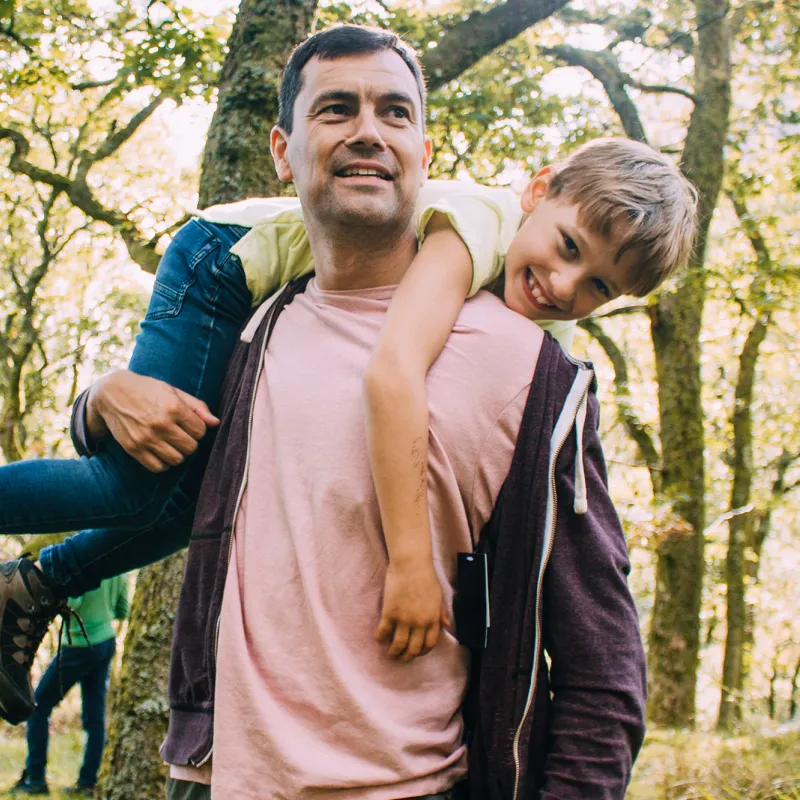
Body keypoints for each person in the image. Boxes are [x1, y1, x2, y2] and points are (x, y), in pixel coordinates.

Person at [66, 25, 648, 798]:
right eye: (337, 109)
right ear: (284, 150)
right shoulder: (250, 326)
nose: (368, 132)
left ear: (425, 156)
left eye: (396, 113)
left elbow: (601, 663)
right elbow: (162, 486)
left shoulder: (536, 371)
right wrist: (98, 401)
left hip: (410, 785)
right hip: (213, 780)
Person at [0, 126, 696, 718]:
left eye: (600, 286)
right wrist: (411, 564)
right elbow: (393, 371)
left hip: (264, 318)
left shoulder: (543, 329)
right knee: (136, 487)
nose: (566, 287)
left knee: (188, 504)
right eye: (569, 247)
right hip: (223, 262)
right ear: (538, 192)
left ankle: (34, 583)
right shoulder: (479, 222)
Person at [9, 575, 128, 797]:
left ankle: (35, 779)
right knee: (95, 717)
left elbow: (72, 604)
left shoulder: (81, 560)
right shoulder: (117, 563)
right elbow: (123, 609)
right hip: (105, 642)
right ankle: (87, 783)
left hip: (78, 646)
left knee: (37, 706)